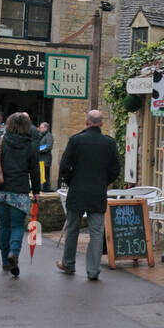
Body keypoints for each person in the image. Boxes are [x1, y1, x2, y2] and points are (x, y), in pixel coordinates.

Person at [56, 109, 120, 282]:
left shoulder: (76, 141)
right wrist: (103, 181)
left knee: (72, 229)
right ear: (101, 124)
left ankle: (68, 264)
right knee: (97, 232)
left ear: (86, 122)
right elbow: (116, 169)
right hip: (98, 191)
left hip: (77, 190)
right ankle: (93, 270)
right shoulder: (109, 143)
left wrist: (71, 181)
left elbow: (64, 166)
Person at [0, 112, 41, 278]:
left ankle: (5, 261)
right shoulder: (31, 145)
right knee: (17, 226)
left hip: (0, 190)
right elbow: (35, 171)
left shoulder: (1, 141)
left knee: (4, 226)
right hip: (19, 191)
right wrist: (36, 191)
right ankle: (13, 255)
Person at [36, 121, 55, 191]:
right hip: (41, 159)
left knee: (45, 175)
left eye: (41, 128)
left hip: (45, 159)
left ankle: (46, 188)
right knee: (42, 174)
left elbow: (48, 147)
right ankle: (42, 188)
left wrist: (39, 149)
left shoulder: (49, 136)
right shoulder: (42, 135)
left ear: (46, 128)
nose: (40, 129)